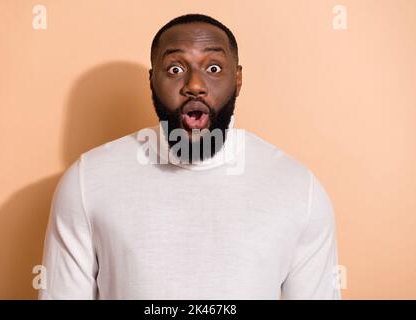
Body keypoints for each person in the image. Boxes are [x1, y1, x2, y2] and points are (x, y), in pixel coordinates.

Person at [39, 13, 341, 300]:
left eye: (213, 68)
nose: (194, 85)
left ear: (237, 80)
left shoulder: (298, 188)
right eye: (175, 69)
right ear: (152, 81)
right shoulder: (88, 180)